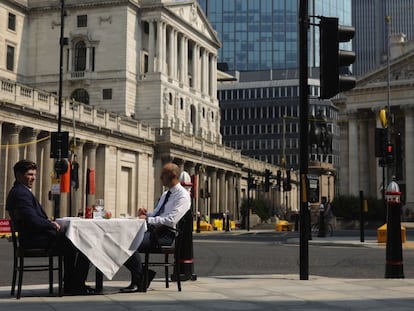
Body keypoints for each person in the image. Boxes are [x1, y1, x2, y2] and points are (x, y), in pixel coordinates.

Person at [5, 159, 93, 295]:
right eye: (29, 174)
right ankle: (75, 285)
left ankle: (71, 284)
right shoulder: (21, 193)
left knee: (73, 241)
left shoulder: (20, 191)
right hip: (35, 240)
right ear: (18, 175)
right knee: (84, 243)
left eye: (34, 175)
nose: (33, 178)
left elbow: (32, 219)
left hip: (33, 237)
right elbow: (32, 220)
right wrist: (50, 224)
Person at [121, 162, 191, 293]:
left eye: (163, 175)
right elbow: (157, 213)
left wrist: (148, 219)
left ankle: (138, 281)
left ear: (173, 175)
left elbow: (170, 220)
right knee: (120, 241)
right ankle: (143, 276)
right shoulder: (166, 194)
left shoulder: (183, 196)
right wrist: (146, 213)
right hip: (152, 231)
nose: (160, 178)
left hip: (165, 235)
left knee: (129, 243)